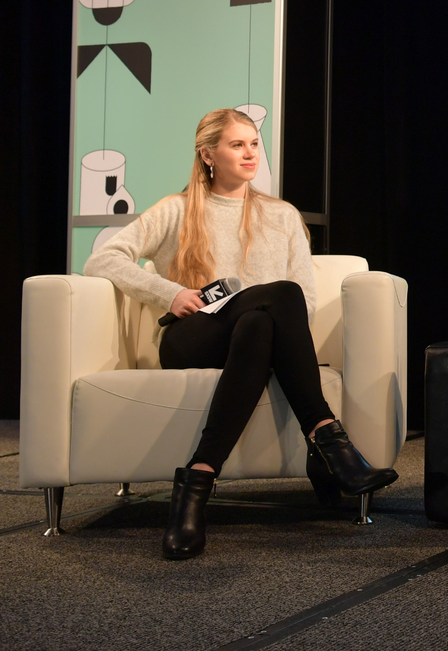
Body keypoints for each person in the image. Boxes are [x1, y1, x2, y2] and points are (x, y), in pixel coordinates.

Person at [85, 108, 397, 560]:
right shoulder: (176, 210)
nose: (250, 153)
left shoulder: (282, 215)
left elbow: (304, 302)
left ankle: (197, 481)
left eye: (254, 143)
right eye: (237, 145)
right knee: (276, 299)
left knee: (263, 318)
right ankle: (329, 439)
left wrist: (270, 320)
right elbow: (104, 259)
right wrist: (168, 292)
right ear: (208, 154)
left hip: (253, 341)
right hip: (192, 336)